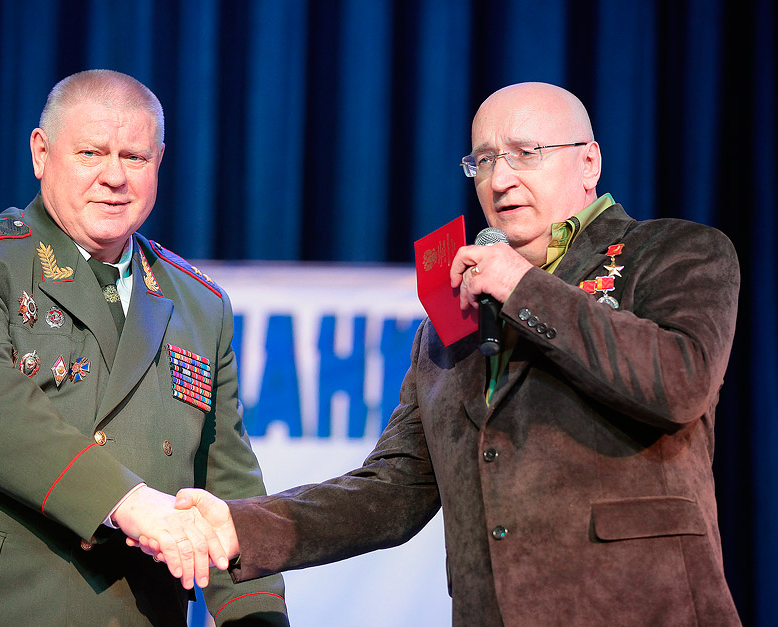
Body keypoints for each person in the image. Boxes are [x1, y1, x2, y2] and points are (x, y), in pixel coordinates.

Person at [163, 82, 742, 625]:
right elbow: (394, 489)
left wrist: (522, 287)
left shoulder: (673, 252)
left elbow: (680, 382)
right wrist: (241, 526)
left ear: (588, 162)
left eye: (526, 153)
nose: (500, 179)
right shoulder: (448, 325)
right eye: (483, 160)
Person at [0, 69, 288, 626]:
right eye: (91, 153)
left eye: (135, 157)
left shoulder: (200, 304)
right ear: (41, 153)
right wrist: (129, 503)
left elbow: (228, 483)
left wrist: (256, 618)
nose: (114, 177)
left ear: (159, 162)